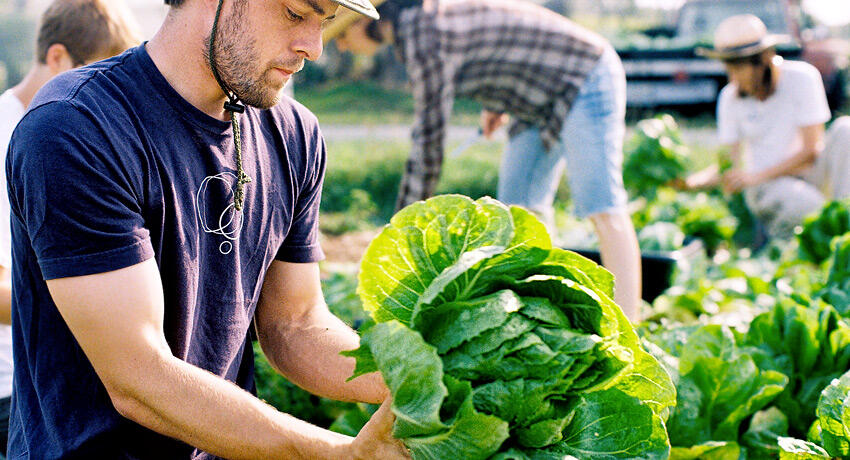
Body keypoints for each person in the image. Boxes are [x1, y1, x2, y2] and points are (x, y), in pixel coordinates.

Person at [4, 0, 410, 458]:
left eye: (326, 20)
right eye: (296, 13)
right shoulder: (76, 127)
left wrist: (427, 382)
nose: (313, 47)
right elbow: (138, 377)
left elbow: (295, 324)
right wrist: (341, 454)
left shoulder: (295, 134)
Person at [324, 0, 642, 321]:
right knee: (520, 215)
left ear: (363, 20)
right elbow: (498, 44)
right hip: (535, 99)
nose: (340, 44)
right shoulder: (418, 25)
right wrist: (498, 99)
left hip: (584, 74)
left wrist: (403, 232)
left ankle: (632, 329)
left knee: (602, 207)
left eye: (339, 31)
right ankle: (548, 317)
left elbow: (428, 145)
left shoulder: (423, 30)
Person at [0, 0, 141, 452]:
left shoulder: (88, 136)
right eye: (95, 72)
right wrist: (101, 302)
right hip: (12, 392)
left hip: (71, 388)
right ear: (57, 57)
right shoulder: (11, 136)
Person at [682, 14, 850, 239]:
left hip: (807, 173)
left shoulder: (802, 78)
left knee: (845, 130)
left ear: (762, 61)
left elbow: (812, 151)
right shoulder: (730, 98)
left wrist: (754, 175)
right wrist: (689, 183)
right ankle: (835, 235)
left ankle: (845, 217)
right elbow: (727, 165)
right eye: (728, 68)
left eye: (738, 68)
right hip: (767, 187)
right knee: (813, 210)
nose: (733, 78)